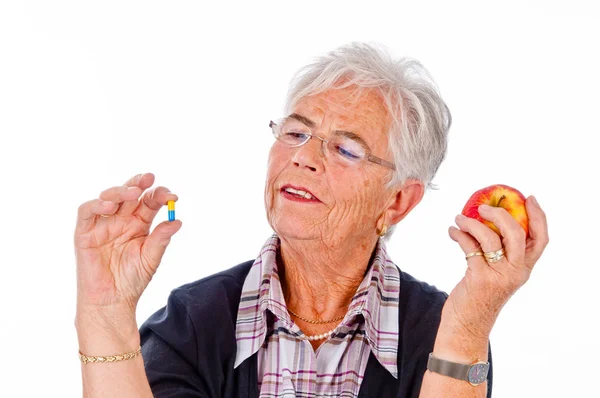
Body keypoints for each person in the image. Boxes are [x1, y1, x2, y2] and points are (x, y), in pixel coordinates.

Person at [74, 43, 549, 397]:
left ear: (398, 202)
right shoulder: (191, 324)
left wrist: (468, 328)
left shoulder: (443, 333)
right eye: (297, 132)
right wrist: (106, 312)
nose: (304, 157)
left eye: (345, 148)